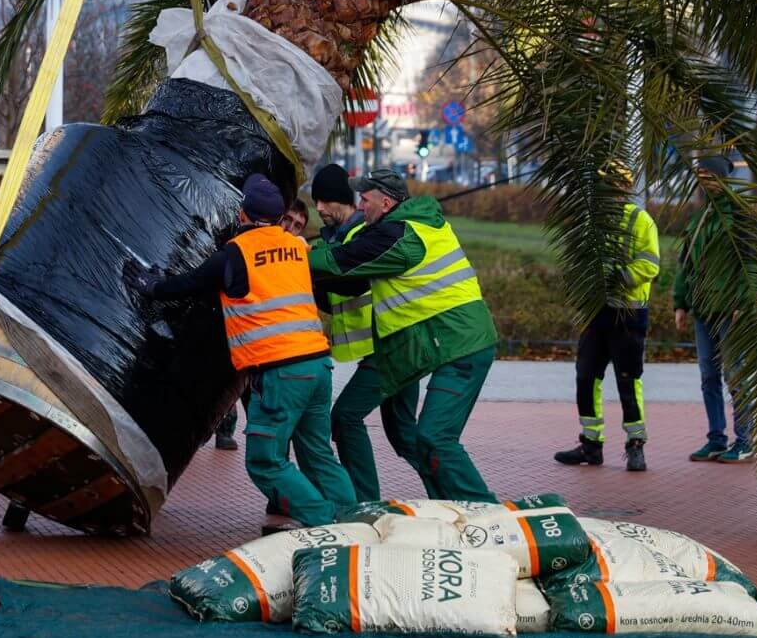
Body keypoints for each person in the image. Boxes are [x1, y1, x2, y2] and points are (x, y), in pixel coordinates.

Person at [133, 174, 355, 525]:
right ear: (280, 217)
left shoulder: (235, 255)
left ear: (242, 214)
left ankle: (326, 522)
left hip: (283, 371)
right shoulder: (298, 247)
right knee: (318, 456)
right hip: (318, 366)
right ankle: (353, 521)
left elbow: (187, 284)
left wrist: (151, 285)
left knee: (265, 461)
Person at [310, 169, 497, 501]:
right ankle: (450, 509)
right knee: (409, 434)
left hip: (459, 344)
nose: (360, 206)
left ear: (385, 202)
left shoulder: (397, 236)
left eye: (364, 200)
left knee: (434, 438)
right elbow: (351, 279)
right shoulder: (399, 229)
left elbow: (343, 260)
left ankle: (487, 515)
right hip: (421, 344)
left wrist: (292, 256)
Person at [308, 164, 431, 500]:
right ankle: (450, 490)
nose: (317, 208)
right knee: (404, 434)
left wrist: (304, 263)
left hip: (391, 346)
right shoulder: (342, 236)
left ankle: (365, 503)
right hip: (390, 343)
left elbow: (348, 282)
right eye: (314, 201)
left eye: (325, 200)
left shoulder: (364, 236)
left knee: (345, 418)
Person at [555, 161, 660, 472]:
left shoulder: (641, 221)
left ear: (622, 189)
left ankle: (636, 445)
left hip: (628, 313)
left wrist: (617, 276)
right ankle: (591, 445)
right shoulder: (591, 223)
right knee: (586, 378)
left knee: (629, 382)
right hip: (595, 312)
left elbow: (650, 264)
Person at [672, 157, 751, 463]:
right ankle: (716, 438)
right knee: (709, 375)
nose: (704, 181)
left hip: (728, 308)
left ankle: (745, 439)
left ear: (723, 178)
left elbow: (750, 264)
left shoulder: (739, 216)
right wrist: (680, 302)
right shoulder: (699, 217)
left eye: (709, 175)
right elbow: (686, 262)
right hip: (702, 309)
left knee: (735, 375)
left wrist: (742, 303)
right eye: (700, 175)